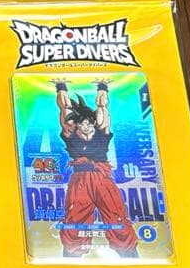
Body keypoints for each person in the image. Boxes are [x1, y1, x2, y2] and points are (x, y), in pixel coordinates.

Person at [55, 80, 138, 258]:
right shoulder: (71, 134)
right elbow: (64, 109)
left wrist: (102, 87)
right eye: (82, 124)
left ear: (93, 123)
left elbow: (102, 108)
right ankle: (71, 259)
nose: (86, 127)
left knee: (116, 216)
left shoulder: (101, 133)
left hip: (101, 178)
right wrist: (61, 87)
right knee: (75, 220)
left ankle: (130, 255)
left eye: (89, 123)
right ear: (76, 125)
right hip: (80, 181)